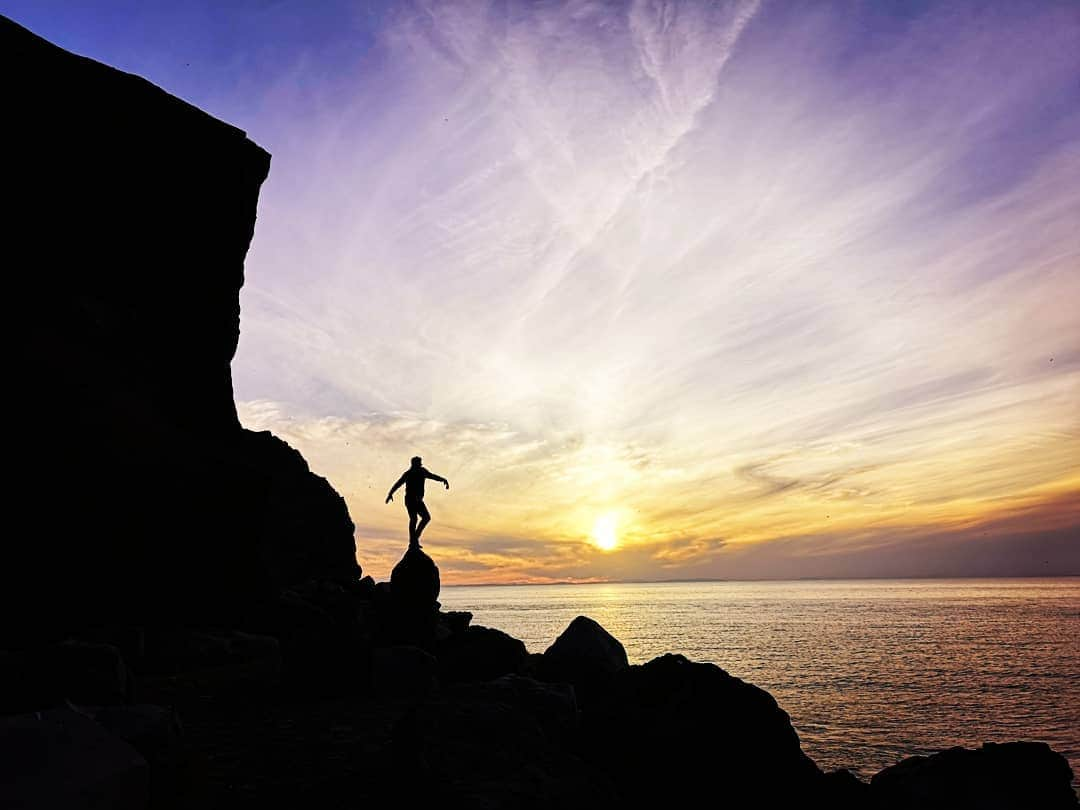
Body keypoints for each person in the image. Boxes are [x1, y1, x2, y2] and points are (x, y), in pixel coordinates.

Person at [385, 456, 449, 549]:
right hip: (410, 500)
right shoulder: (409, 474)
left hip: (417, 500)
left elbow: (432, 476)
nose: (420, 465)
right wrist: (390, 493)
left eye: (420, 463)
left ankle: (414, 540)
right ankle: (413, 541)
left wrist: (443, 479)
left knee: (425, 518)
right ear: (414, 464)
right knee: (415, 519)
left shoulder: (422, 471)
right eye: (418, 463)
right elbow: (398, 484)